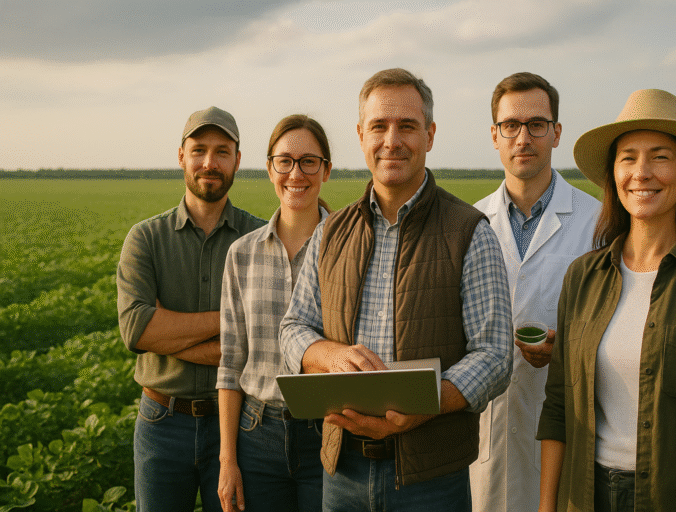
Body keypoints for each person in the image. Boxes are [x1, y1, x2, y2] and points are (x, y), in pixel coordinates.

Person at [279, 68, 513, 512]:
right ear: (361, 135)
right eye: (379, 127)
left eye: (407, 126)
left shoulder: (469, 231)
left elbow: (496, 354)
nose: (392, 140)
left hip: (431, 478)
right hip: (342, 471)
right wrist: (330, 356)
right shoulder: (331, 232)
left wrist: (426, 405)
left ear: (429, 134)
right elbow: (294, 327)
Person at [537, 89, 676, 512]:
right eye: (628, 157)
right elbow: (558, 409)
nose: (641, 172)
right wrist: (546, 506)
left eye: (660, 156)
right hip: (584, 495)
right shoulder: (583, 278)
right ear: (614, 175)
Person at [117, 106, 266, 511]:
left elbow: (265, 340)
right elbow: (138, 330)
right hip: (162, 423)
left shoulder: (260, 238)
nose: (209, 163)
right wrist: (232, 322)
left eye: (222, 152)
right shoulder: (146, 239)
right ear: (181, 156)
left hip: (240, 425)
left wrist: (169, 336)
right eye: (199, 150)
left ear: (237, 159)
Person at [469, 72, 600, 512]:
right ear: (495, 135)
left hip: (566, 424)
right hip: (486, 427)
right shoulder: (467, 224)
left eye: (537, 125)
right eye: (510, 125)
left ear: (556, 133)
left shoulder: (597, 223)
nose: (523, 137)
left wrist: (568, 347)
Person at [216, 114, 332, 512]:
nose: (295, 173)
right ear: (270, 169)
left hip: (329, 433)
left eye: (308, 161)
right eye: (284, 161)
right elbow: (230, 363)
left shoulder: (349, 249)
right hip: (256, 435)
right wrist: (228, 460)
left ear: (326, 171)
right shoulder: (242, 254)